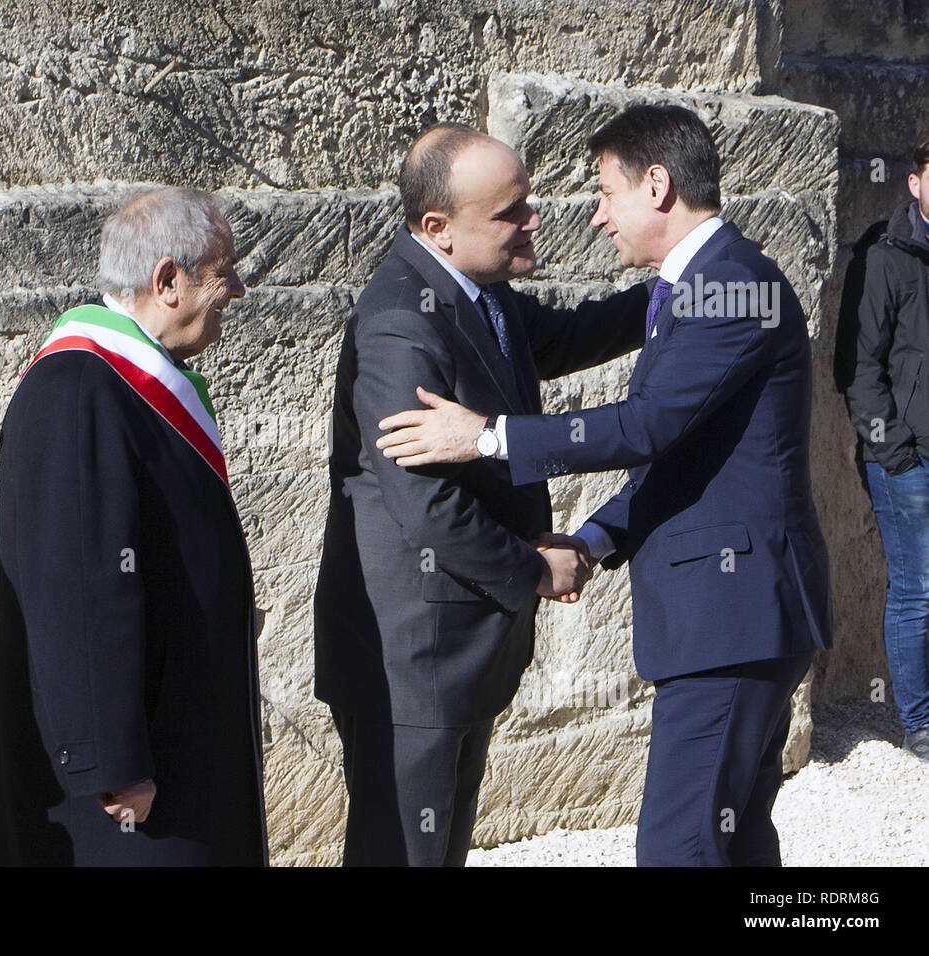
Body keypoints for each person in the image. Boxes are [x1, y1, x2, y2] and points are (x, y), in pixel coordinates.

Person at [377, 105, 833, 866]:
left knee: (680, 848)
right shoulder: (699, 285)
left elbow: (648, 425)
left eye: (605, 193)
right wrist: (594, 539)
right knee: (736, 838)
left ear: (656, 186)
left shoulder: (732, 286)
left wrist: (487, 436)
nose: (594, 217)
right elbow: (686, 458)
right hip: (739, 616)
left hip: (732, 618)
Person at [314, 123, 650, 866]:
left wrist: (674, 282)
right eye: (511, 212)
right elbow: (423, 503)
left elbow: (563, 337)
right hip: (416, 656)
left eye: (527, 200)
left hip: (453, 651)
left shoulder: (475, 291)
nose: (534, 220)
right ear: (438, 228)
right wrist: (535, 570)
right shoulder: (405, 322)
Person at [0, 186, 267, 866]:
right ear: (168, 279)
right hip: (134, 774)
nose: (240, 291)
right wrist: (111, 759)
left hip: (178, 732)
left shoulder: (127, 380)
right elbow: (76, 586)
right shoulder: (77, 389)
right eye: (224, 270)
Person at [835, 137, 929, 761]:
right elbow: (856, 368)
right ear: (916, 182)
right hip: (906, 458)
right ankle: (919, 721)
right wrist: (894, 451)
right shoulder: (884, 254)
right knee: (919, 587)